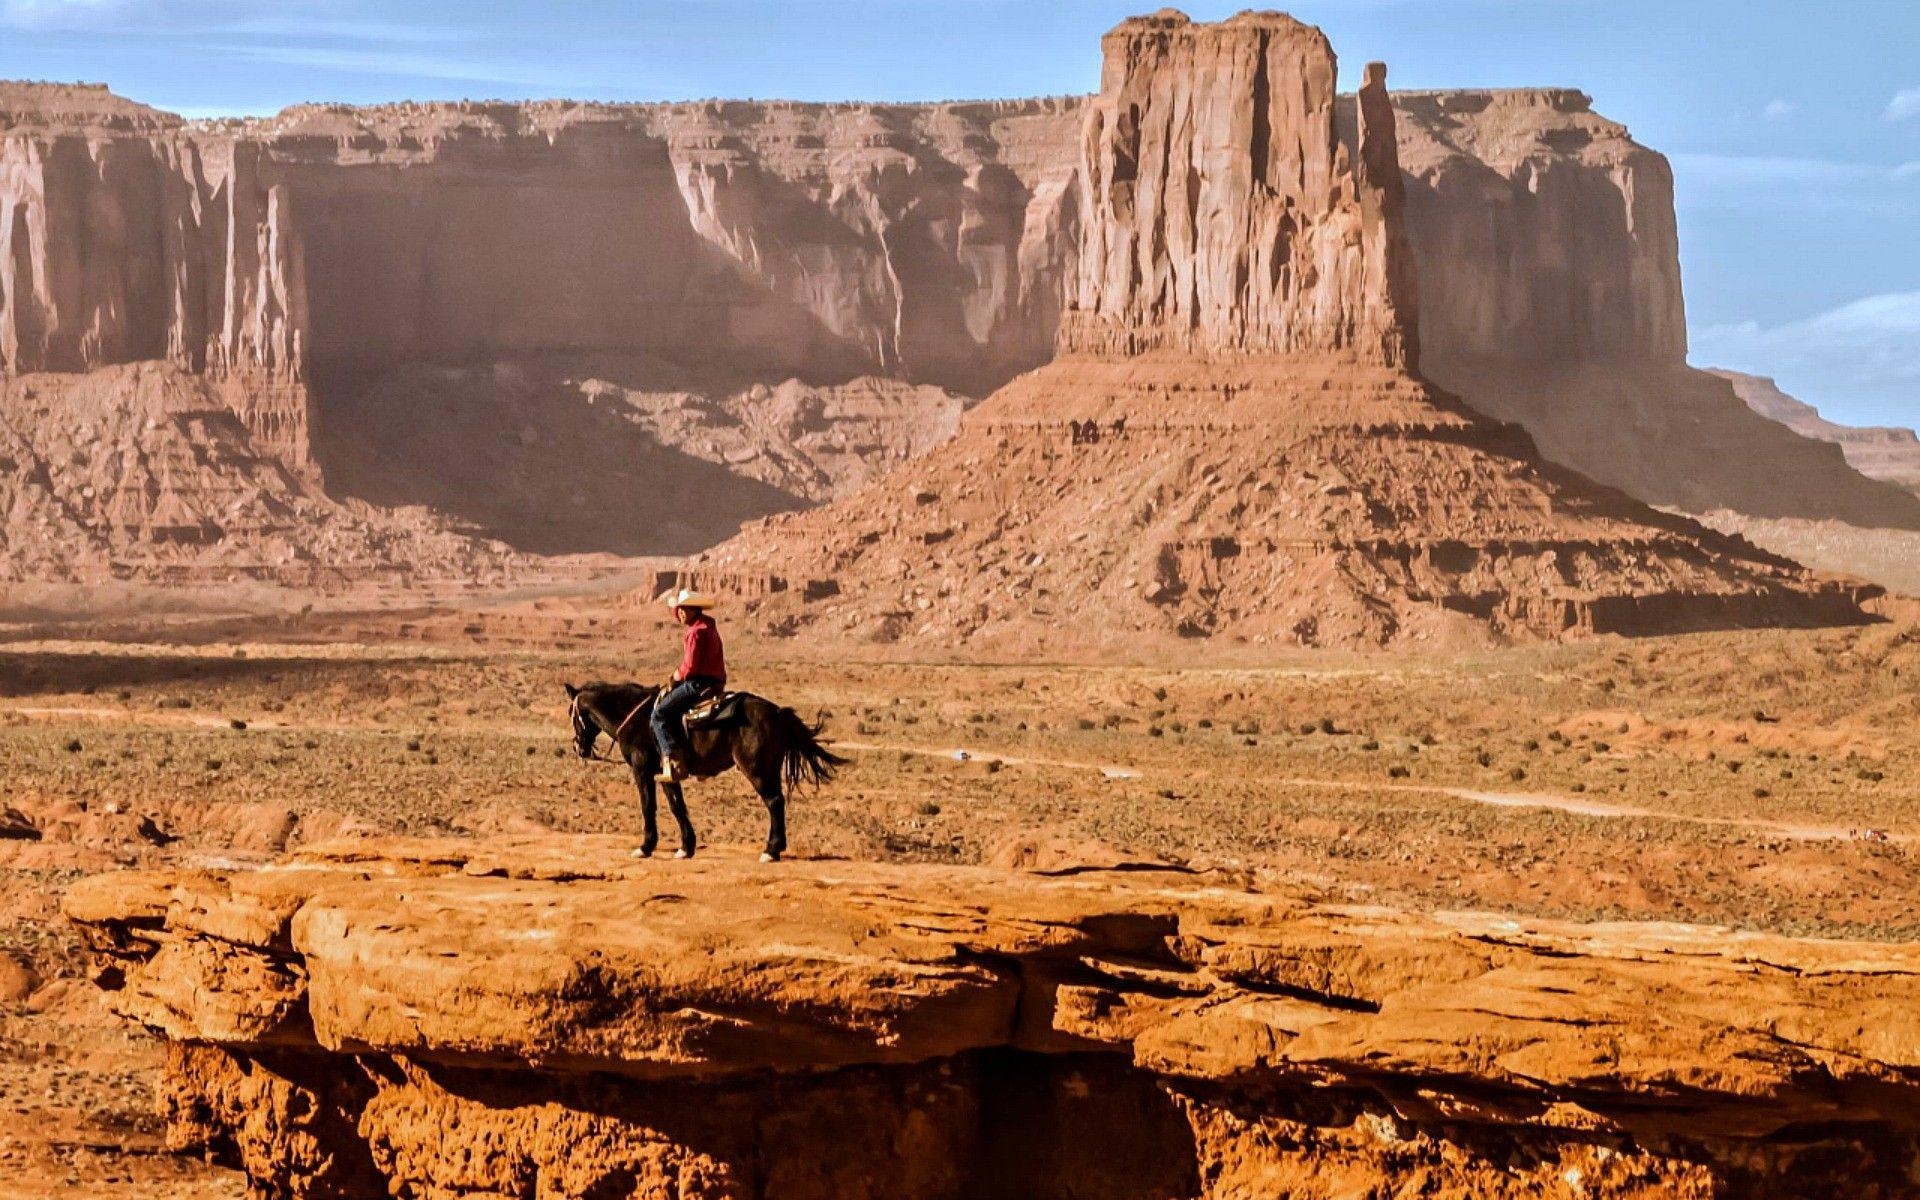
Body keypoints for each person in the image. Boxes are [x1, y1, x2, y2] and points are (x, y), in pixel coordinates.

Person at [652, 588, 726, 784]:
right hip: (716, 683)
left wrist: (675, 676)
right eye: (679, 610)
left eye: (683, 609)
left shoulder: (695, 632)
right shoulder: (709, 626)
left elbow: (690, 667)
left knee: (659, 714)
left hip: (697, 684)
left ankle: (673, 762)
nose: (680, 613)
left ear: (694, 610)